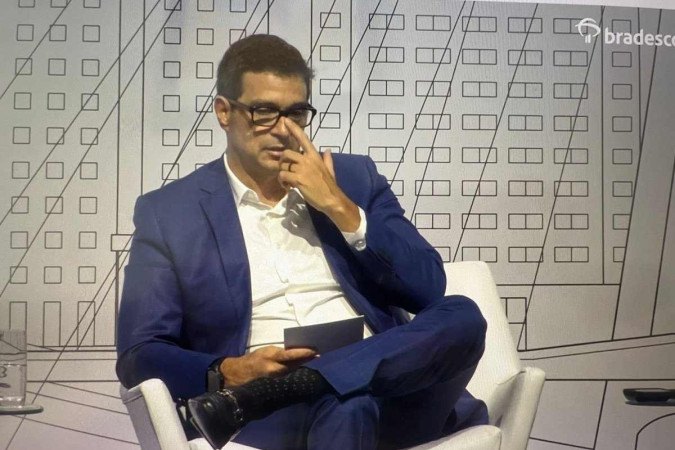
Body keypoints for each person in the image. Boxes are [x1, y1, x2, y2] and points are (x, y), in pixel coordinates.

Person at [116, 34, 488, 450]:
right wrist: (228, 371)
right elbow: (139, 353)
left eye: (296, 113)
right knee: (350, 405)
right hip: (274, 421)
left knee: (462, 314)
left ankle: (299, 385)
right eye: (263, 112)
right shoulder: (170, 212)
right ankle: (292, 390)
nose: (283, 130)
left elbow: (428, 287)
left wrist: (339, 206)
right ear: (224, 111)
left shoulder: (353, 178)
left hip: (393, 397)